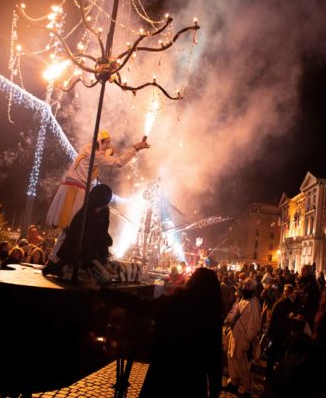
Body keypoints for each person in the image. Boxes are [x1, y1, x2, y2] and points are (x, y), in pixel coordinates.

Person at [100, 267, 223, 397]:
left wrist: (102, 291)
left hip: (161, 377)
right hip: (192, 383)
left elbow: (137, 303)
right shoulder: (212, 317)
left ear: (191, 283)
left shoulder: (171, 303)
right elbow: (214, 356)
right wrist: (215, 388)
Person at [45, 129, 150, 265]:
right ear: (99, 142)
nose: (107, 146)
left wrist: (110, 150)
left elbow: (105, 153)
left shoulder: (87, 148)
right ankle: (56, 258)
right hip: (77, 191)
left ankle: (56, 257)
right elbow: (118, 163)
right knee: (73, 226)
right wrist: (135, 148)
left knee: (71, 226)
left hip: (70, 188)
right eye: (106, 143)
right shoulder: (97, 155)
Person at [43, 184, 115, 282]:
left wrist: (104, 259)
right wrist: (95, 261)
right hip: (78, 247)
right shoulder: (85, 213)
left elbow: (102, 233)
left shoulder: (105, 211)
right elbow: (85, 239)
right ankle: (62, 268)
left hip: (94, 245)